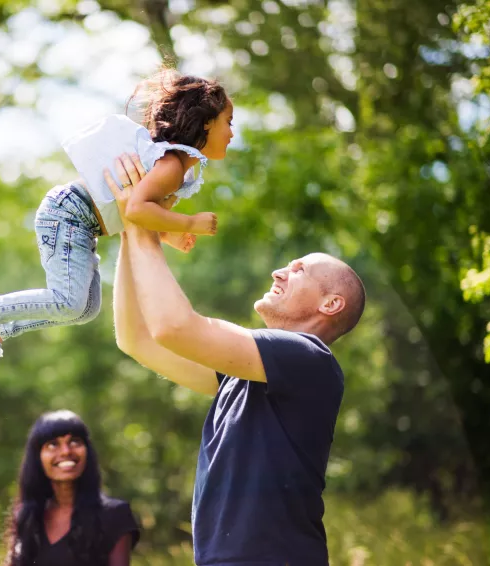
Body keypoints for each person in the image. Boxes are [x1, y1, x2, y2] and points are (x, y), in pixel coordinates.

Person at [105, 154, 366, 565]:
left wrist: (142, 215)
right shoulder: (242, 378)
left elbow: (173, 327)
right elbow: (137, 339)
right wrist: (131, 229)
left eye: (299, 270)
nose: (280, 271)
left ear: (331, 303)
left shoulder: (309, 358)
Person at [0, 67, 234, 383]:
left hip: (82, 225)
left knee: (83, 310)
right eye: (228, 123)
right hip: (69, 214)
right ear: (206, 123)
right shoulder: (171, 165)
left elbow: (138, 211)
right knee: (68, 302)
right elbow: (135, 208)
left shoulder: (175, 168)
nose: (231, 133)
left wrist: (170, 234)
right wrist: (189, 222)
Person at [3, 410, 140, 566]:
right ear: (37, 458)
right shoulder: (27, 516)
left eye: (75, 441)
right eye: (53, 444)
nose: (66, 451)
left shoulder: (114, 514)